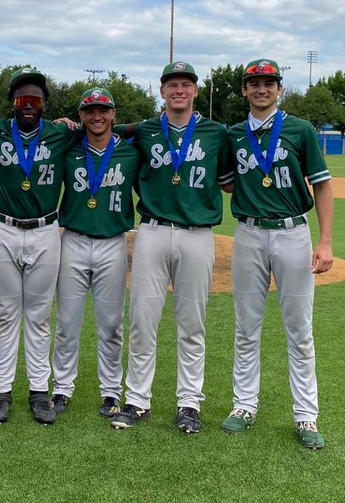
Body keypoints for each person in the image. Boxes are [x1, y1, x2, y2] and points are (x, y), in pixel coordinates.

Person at [112, 61, 233, 434]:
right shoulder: (144, 130)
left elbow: (228, 183)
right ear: (161, 92)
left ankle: (189, 404)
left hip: (198, 234)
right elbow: (98, 130)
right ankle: (137, 400)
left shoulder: (216, 133)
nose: (179, 90)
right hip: (152, 230)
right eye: (171, 85)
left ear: (195, 91)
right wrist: (70, 124)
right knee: (142, 320)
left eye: (186, 84)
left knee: (191, 324)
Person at [220, 59, 334, 449]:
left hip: (292, 233)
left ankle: (305, 416)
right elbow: (229, 185)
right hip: (249, 233)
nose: (261, 89)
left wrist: (325, 241)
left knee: (300, 331)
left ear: (279, 89)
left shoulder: (300, 130)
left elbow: (322, 187)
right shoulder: (234, 134)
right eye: (254, 83)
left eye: (268, 83)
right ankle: (243, 406)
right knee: (245, 327)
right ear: (244, 91)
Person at [0, 67, 79, 425]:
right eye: (22, 100)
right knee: (4, 313)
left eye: (35, 100)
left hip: (47, 230)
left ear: (46, 104)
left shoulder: (60, 133)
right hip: (3, 228)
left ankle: (37, 391)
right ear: (12, 104)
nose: (28, 106)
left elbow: (107, 130)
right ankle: (0, 391)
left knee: (38, 315)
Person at [50, 88, 139, 420]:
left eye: (104, 110)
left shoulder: (130, 152)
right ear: (81, 116)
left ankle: (111, 391)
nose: (97, 116)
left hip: (113, 242)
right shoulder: (69, 150)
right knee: (67, 321)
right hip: (72, 239)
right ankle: (61, 388)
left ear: (114, 114)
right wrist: (62, 126)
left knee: (111, 323)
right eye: (90, 111)